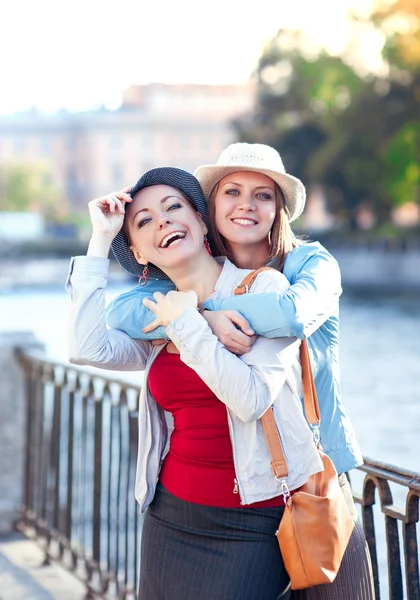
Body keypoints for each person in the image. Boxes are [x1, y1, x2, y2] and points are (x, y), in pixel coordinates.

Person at [105, 144, 376, 600]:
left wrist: (196, 313)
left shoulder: (309, 265)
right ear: (211, 207)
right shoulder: (183, 278)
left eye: (263, 195)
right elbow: (124, 312)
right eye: (232, 191)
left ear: (278, 211)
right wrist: (197, 313)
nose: (246, 205)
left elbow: (288, 315)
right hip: (237, 492)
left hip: (315, 474)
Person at [66, 166, 325, 600]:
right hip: (169, 514)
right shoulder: (158, 312)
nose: (162, 220)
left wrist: (187, 322)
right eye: (144, 221)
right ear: (139, 252)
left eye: (173, 207)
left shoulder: (263, 288)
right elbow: (87, 348)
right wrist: (99, 239)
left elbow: (251, 399)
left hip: (252, 520)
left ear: (202, 221)